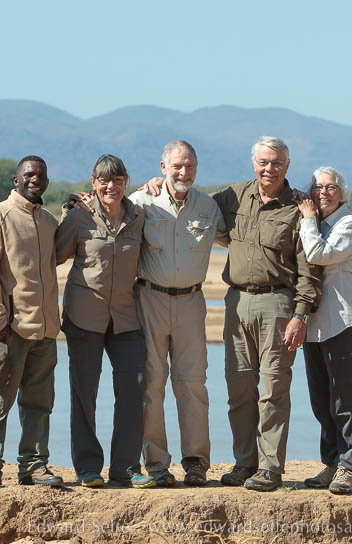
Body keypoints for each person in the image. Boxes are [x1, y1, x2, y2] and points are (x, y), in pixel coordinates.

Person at [144, 136, 323, 491]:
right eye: (263, 162)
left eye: (276, 163)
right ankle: (245, 464)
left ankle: (270, 468)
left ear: (287, 166)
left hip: (278, 304)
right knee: (239, 387)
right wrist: (157, 183)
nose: (268, 168)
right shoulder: (234, 196)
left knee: (274, 389)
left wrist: (301, 315)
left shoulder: (298, 207)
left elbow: (310, 268)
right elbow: (186, 199)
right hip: (237, 302)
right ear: (253, 163)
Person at [128, 140, 227, 487]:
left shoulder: (209, 207)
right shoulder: (141, 202)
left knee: (192, 384)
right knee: (151, 385)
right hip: (149, 300)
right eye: (176, 166)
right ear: (162, 167)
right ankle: (156, 465)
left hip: (192, 303)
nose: (183, 173)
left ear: (197, 169)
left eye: (189, 167)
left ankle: (196, 463)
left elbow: (239, 237)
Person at [54, 154, 154, 489]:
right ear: (94, 182)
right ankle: (88, 467)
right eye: (103, 180)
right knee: (85, 394)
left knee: (133, 389)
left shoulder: (138, 216)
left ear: (126, 181)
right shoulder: (79, 216)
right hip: (84, 316)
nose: (110, 186)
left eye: (117, 179)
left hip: (126, 318)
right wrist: (65, 213)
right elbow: (54, 256)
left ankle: (126, 466)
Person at [0, 155, 64, 489]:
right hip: (8, 330)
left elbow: (63, 253)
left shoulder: (50, 222)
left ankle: (34, 466)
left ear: (47, 182)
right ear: (16, 180)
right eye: (28, 175)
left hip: (45, 331)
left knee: (39, 405)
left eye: (40, 175)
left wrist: (73, 216)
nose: (34, 179)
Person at [295, 167, 352, 494]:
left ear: (342, 192)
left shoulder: (350, 224)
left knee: (346, 399)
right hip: (314, 327)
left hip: (345, 324)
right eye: (318, 187)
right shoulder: (314, 223)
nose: (323, 192)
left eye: (331, 187)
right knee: (321, 401)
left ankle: (350, 467)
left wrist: (307, 219)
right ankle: (331, 463)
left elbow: (319, 254)